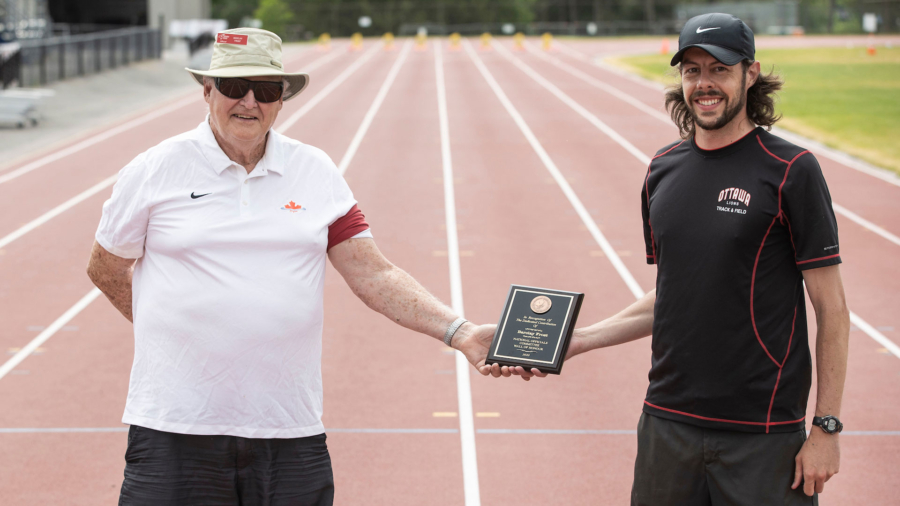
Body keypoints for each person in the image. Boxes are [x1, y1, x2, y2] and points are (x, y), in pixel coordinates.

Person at [86, 28, 520, 506]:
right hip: (174, 426)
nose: (249, 102)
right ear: (207, 90)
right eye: (234, 87)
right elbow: (105, 267)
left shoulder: (316, 172)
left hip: (287, 429)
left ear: (282, 100)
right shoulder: (154, 169)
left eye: (267, 90)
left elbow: (374, 273)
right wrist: (171, 329)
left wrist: (458, 332)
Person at [540, 13, 849, 505]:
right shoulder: (662, 171)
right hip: (667, 424)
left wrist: (826, 429)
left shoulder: (791, 170)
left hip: (763, 433)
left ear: (750, 73)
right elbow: (674, 292)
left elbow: (831, 309)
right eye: (691, 70)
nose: (704, 84)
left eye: (719, 69)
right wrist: (575, 342)